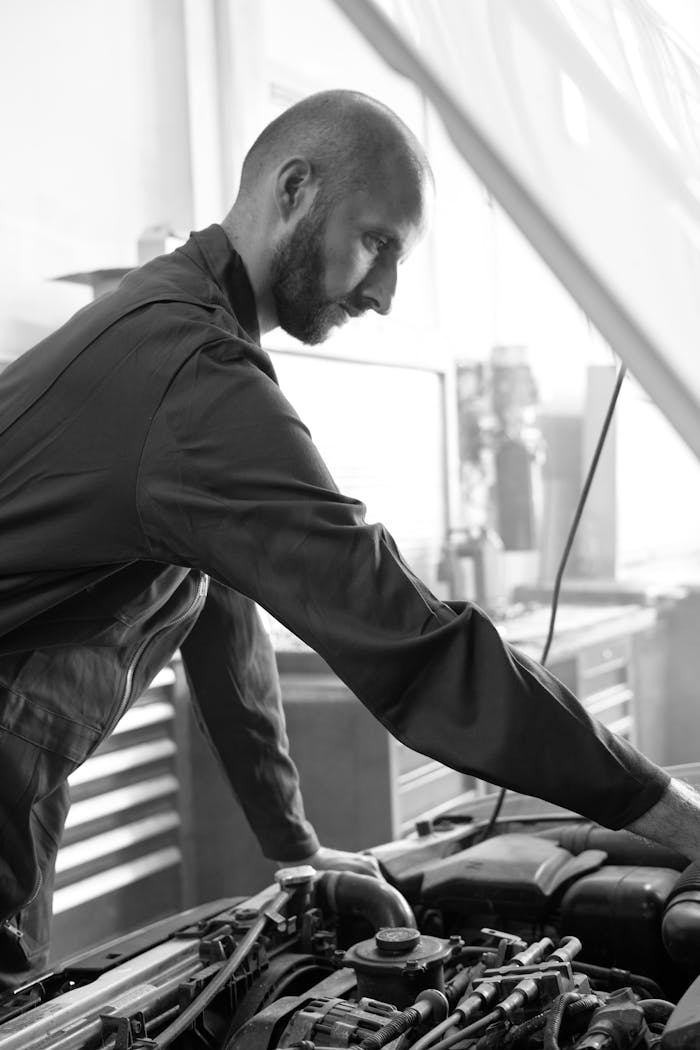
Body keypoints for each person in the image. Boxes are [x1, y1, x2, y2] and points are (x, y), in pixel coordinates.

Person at [0, 89, 698, 984]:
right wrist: (670, 812)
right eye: (378, 243)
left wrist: (292, 845)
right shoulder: (188, 370)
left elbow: (223, 622)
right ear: (294, 190)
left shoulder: (183, 332)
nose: (384, 293)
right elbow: (422, 653)